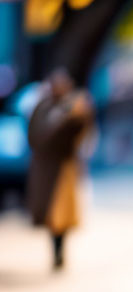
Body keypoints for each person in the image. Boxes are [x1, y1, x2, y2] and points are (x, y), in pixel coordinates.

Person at [26, 68, 93, 271]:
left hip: (64, 169)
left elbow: (81, 133)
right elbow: (36, 137)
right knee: (51, 216)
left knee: (61, 216)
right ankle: (56, 252)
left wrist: (77, 115)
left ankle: (59, 253)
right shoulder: (43, 108)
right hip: (46, 168)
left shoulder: (75, 110)